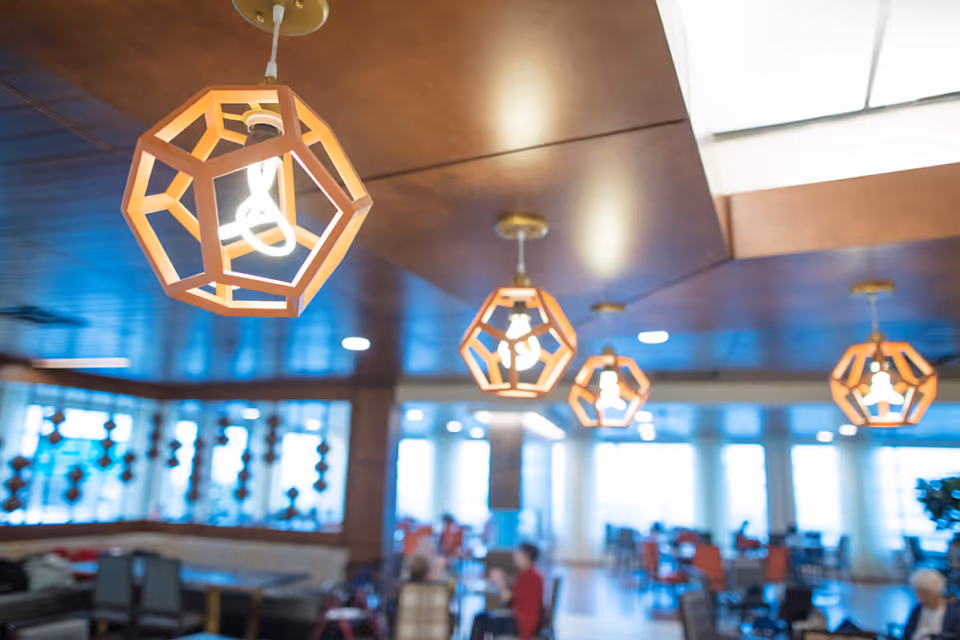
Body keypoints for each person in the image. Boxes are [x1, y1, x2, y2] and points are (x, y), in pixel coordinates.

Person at [470, 543, 544, 640]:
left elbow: (508, 600)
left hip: (522, 623)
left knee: (481, 620)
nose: (515, 557)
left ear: (526, 557)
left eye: (518, 554)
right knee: (481, 618)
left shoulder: (530, 577)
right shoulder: (530, 574)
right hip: (521, 619)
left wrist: (500, 581)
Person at [903, 569, 960, 640]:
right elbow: (907, 633)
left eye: (924, 592)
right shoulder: (918, 609)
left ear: (934, 591)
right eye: (918, 591)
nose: (919, 595)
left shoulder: (953, 611)